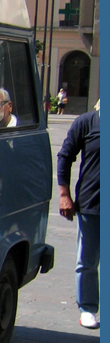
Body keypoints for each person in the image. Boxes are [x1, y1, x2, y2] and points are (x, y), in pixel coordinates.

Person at [57, 101, 100, 329]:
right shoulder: (87, 122)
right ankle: (87, 308)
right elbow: (65, 156)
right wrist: (64, 194)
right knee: (87, 261)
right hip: (93, 202)